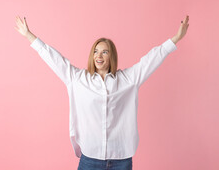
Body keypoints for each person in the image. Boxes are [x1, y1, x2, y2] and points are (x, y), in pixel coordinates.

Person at [15, 15, 189, 170]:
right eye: (96, 51)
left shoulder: (129, 79)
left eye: (105, 52)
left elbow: (152, 58)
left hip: (121, 159)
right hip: (90, 158)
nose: (99, 56)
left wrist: (175, 39)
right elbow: (53, 58)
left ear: (111, 56)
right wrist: (29, 36)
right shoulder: (77, 79)